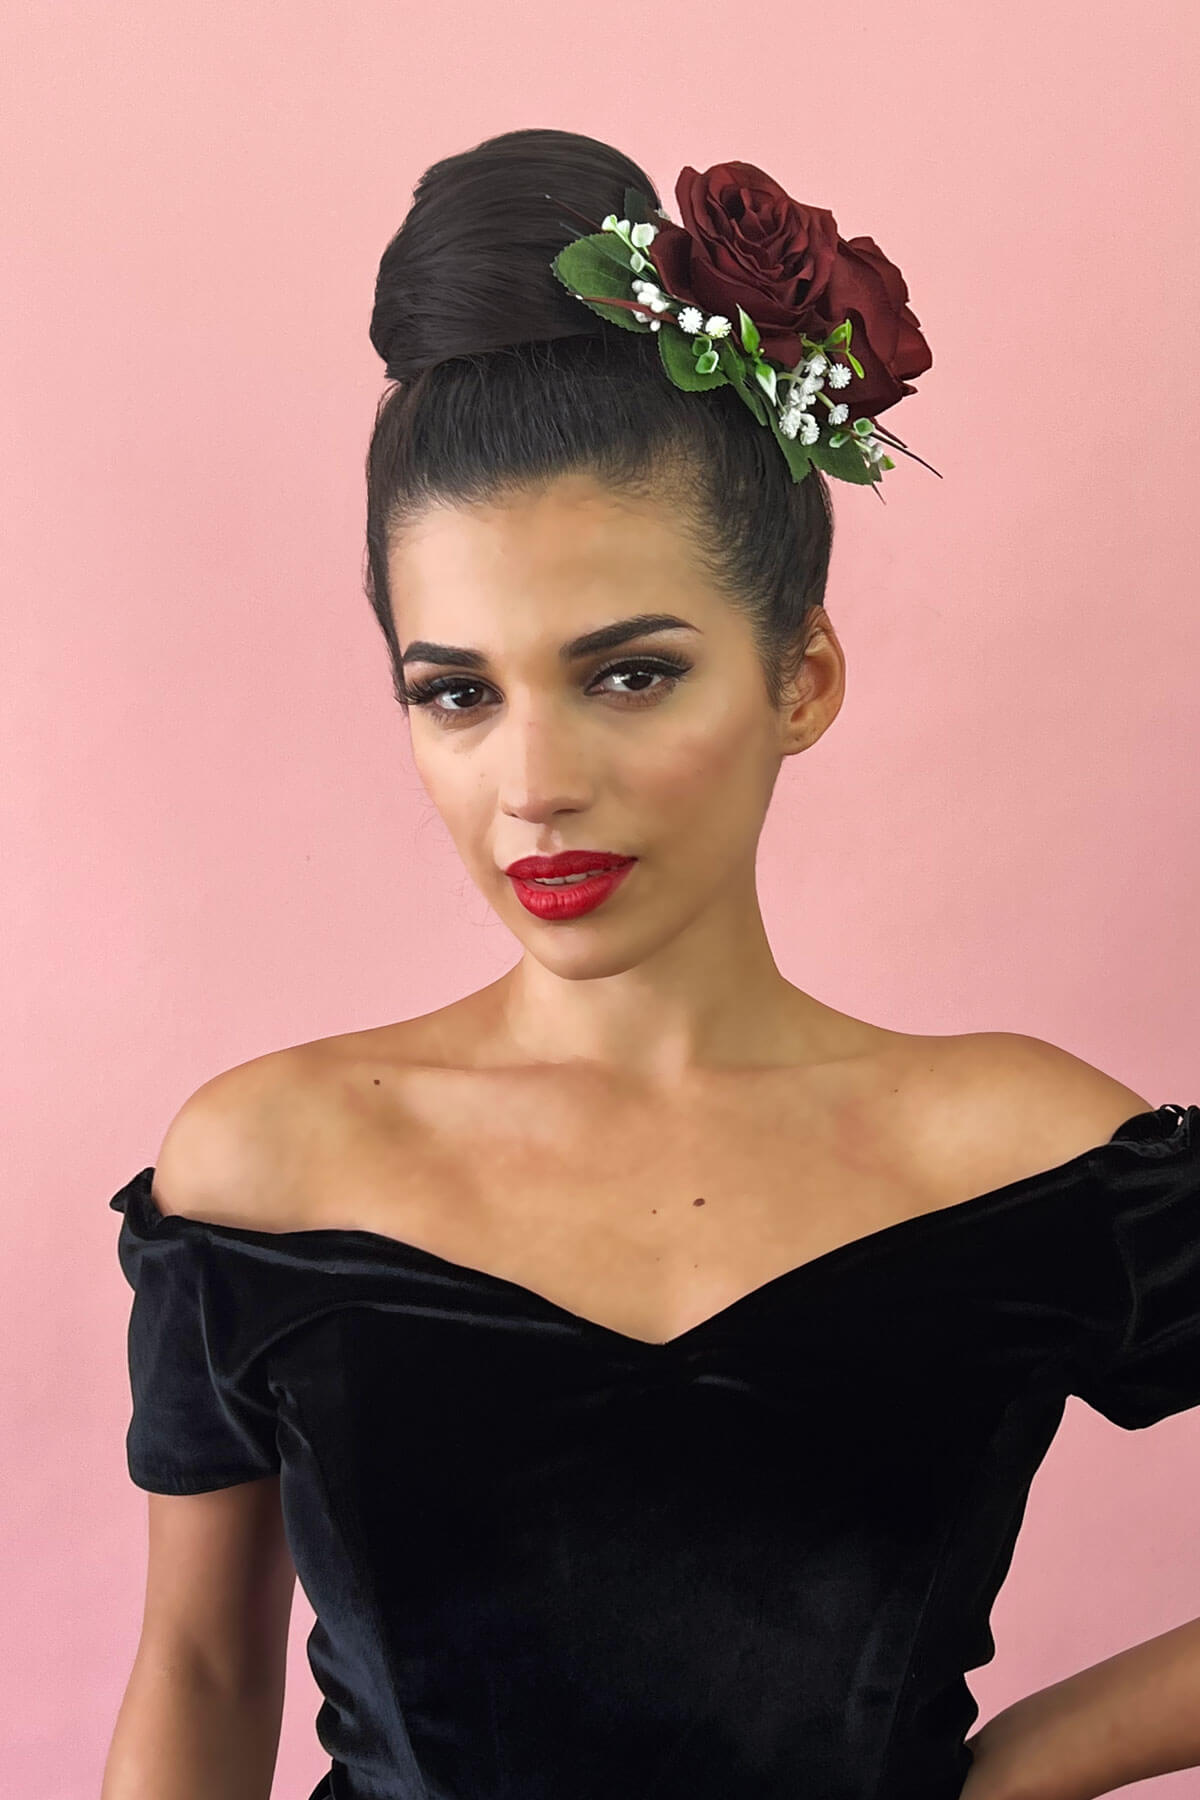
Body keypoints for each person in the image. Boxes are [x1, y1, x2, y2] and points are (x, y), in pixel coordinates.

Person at [102, 128, 1200, 1800]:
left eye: (628, 675)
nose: (532, 782)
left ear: (802, 678)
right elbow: (198, 1665)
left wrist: (1034, 1760)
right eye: (457, 691)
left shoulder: (1022, 1155)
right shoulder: (266, 1164)